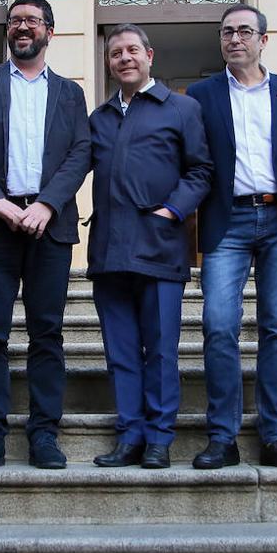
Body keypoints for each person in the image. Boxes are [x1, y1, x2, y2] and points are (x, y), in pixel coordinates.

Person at [0, 0, 91, 470]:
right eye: (15, 21)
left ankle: (44, 434)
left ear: (50, 30)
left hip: (49, 227)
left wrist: (47, 203)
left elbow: (80, 153)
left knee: (46, 334)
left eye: (31, 21)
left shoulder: (70, 93)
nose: (22, 27)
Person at [187, 4, 277, 470]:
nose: (234, 39)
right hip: (228, 220)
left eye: (244, 31)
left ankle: (274, 434)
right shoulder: (200, 94)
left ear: (264, 39)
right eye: (226, 32)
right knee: (219, 326)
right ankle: (223, 437)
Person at [88, 24, 213, 470]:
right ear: (108, 61)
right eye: (116, 52)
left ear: (150, 55)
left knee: (160, 351)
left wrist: (172, 212)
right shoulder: (99, 118)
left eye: (132, 50)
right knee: (120, 352)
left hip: (160, 247)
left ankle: (160, 438)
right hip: (108, 251)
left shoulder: (181, 108)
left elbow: (200, 170)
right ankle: (130, 435)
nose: (124, 58)